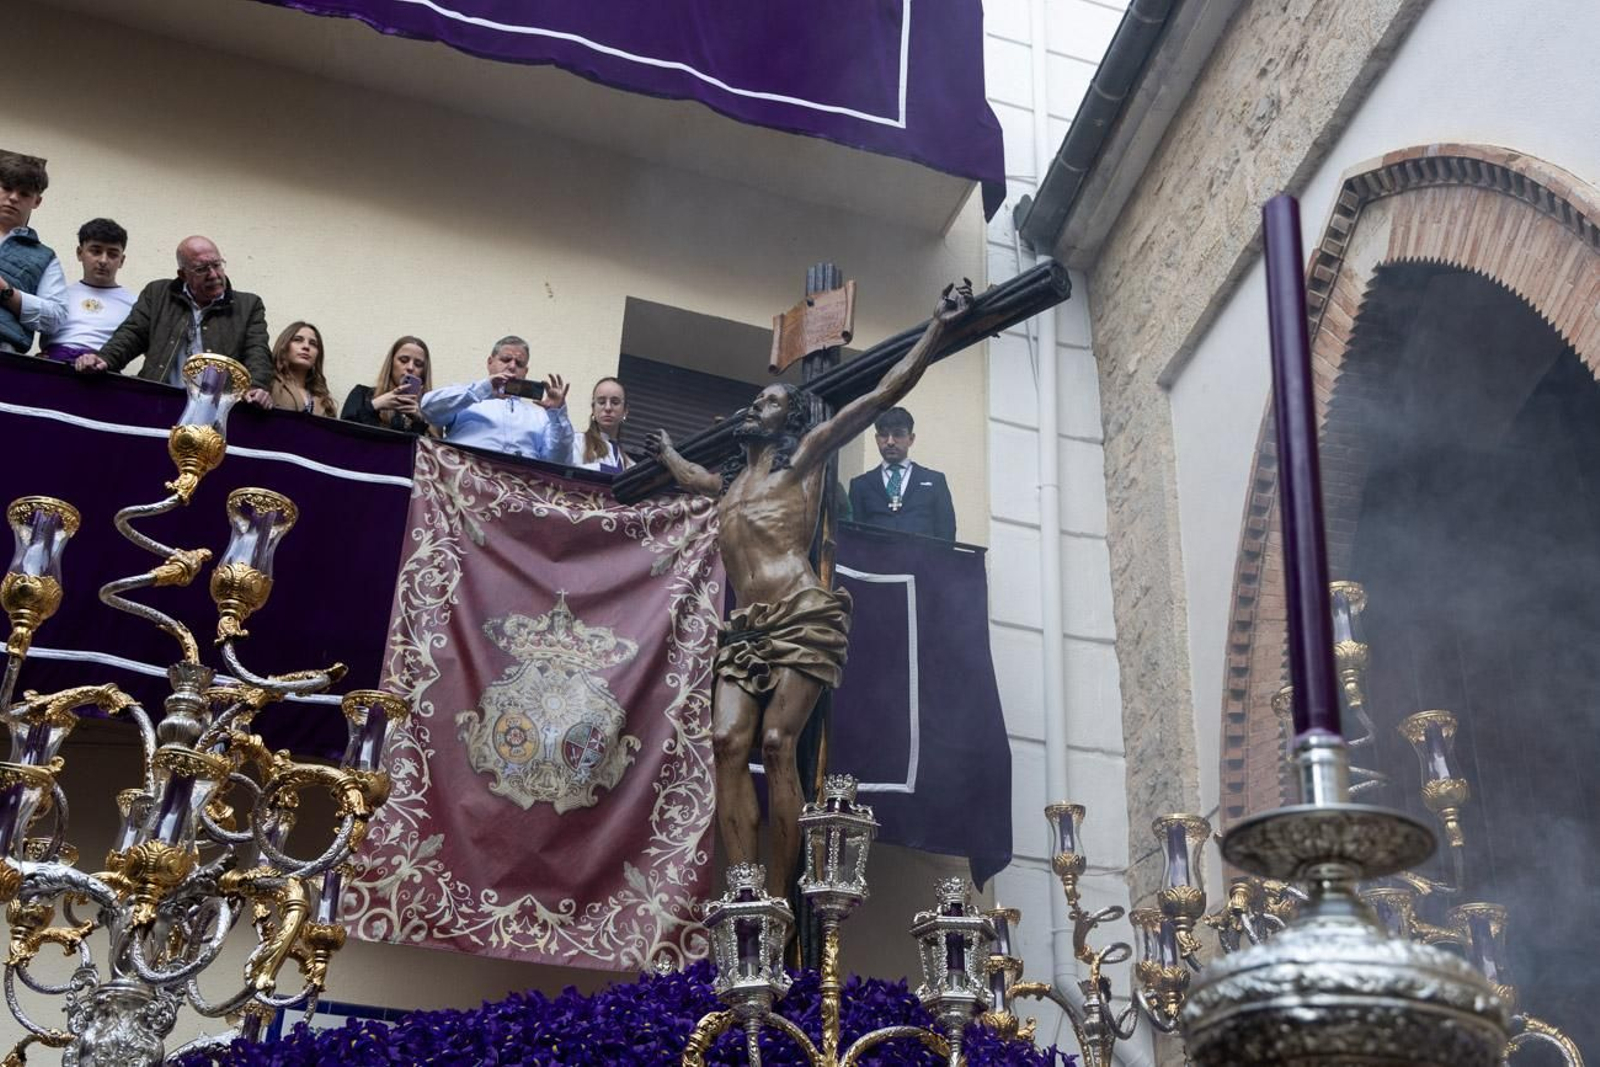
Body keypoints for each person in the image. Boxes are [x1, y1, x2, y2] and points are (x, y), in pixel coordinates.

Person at [647, 280, 974, 899]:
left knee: (776, 744)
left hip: (801, 613)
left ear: (789, 418)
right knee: (724, 740)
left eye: (769, 402)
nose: (756, 407)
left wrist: (937, 328)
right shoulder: (727, 486)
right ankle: (744, 892)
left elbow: (881, 394)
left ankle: (775, 892)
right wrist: (665, 454)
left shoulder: (806, 461)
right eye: (756, 400)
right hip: (745, 629)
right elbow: (689, 473)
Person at [72, 236, 273, 407]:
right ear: (183, 275)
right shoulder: (157, 294)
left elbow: (257, 352)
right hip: (158, 402)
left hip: (216, 410)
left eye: (217, 265)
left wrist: (257, 387)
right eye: (202, 269)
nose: (213, 275)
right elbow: (132, 334)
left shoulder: (248, 305)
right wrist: (105, 358)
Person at [418, 335, 572, 461]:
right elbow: (428, 409)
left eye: (519, 363)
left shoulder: (540, 416)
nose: (512, 367)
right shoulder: (466, 398)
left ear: (525, 371)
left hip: (519, 490)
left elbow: (559, 461)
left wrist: (557, 414)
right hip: (467, 482)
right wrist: (482, 390)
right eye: (505, 359)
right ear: (490, 363)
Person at [847, 407, 957, 541]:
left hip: (923, 560)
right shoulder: (860, 485)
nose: (890, 442)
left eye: (898, 434)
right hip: (876, 560)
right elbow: (853, 537)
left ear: (911, 438)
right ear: (876, 438)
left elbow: (947, 533)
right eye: (883, 435)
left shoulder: (934, 481)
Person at [40, 218, 136, 364]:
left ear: (122, 260)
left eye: (112, 254)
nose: (103, 260)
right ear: (80, 253)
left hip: (102, 373)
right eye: (96, 251)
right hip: (54, 367)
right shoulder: (58, 294)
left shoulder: (134, 304)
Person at [0, 152, 67, 356]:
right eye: (7, 188)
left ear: (37, 201)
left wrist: (7, 292)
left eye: (24, 194)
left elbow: (55, 318)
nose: (13, 198)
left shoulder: (45, 257)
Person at [342, 335, 433, 435]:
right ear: (391, 363)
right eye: (403, 360)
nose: (410, 367)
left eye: (418, 364)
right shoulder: (362, 394)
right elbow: (343, 435)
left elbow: (422, 448)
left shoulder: (430, 412)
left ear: (424, 372)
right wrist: (375, 405)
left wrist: (419, 421)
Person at [268, 321, 337, 416]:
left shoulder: (324, 400)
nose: (306, 346)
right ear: (284, 346)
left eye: (313, 344)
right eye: (298, 340)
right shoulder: (268, 384)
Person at [570, 376, 632, 471]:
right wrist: (600, 469)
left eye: (615, 402)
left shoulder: (629, 465)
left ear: (625, 411)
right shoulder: (576, 442)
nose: (608, 408)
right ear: (593, 409)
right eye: (601, 402)